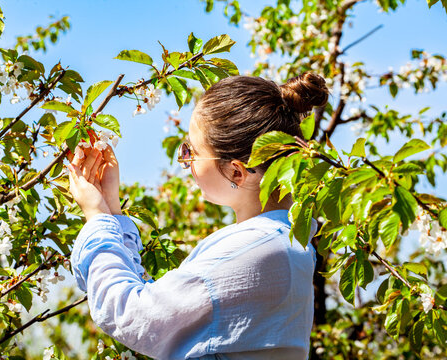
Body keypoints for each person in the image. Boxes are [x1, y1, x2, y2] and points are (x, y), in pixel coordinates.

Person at [67, 72, 329, 360]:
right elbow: (163, 306)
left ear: (236, 172)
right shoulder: (286, 243)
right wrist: (111, 211)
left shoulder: (253, 250)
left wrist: (96, 218)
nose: (186, 162)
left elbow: (133, 314)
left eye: (191, 151)